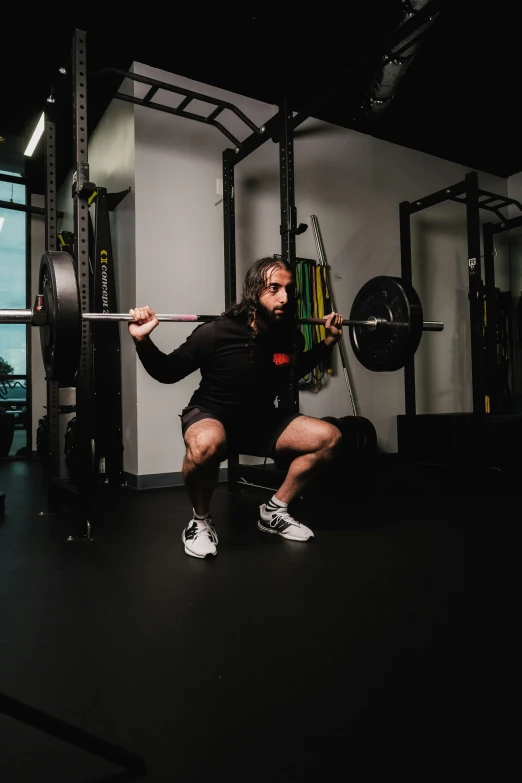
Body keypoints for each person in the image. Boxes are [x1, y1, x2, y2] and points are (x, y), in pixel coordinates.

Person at [129, 256, 344, 559]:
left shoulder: (288, 334)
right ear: (255, 290)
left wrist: (327, 344)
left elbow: (292, 371)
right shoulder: (215, 332)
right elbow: (167, 372)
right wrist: (143, 342)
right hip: (211, 415)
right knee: (206, 445)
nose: (284, 297)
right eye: (274, 288)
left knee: (329, 438)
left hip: (261, 421)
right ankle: (200, 521)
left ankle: (274, 510)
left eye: (288, 289)